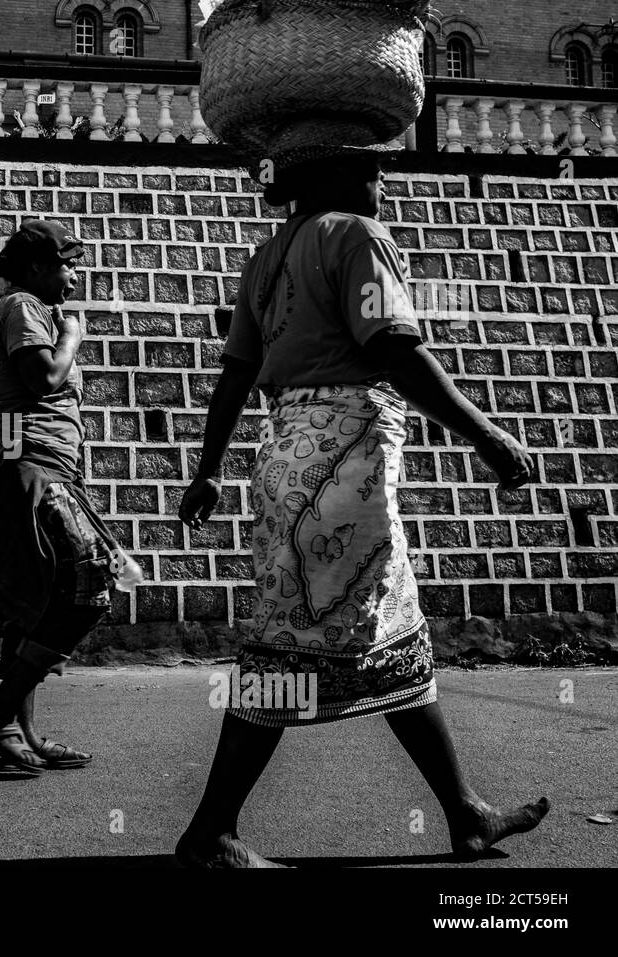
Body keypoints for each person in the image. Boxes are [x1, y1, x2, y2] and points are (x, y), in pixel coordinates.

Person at [175, 149, 550, 865]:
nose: (384, 183)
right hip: (343, 466)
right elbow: (397, 352)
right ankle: (211, 831)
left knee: (389, 631)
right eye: (374, 170)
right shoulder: (356, 236)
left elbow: (236, 375)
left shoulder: (269, 256)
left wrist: (207, 470)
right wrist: (489, 435)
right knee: (293, 641)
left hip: (288, 457)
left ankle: (465, 813)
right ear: (336, 175)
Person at [0, 219, 133, 774]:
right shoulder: (25, 305)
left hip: (39, 466)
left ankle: (20, 733)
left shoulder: (33, 309)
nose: (74, 276)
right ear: (35, 267)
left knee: (33, 601)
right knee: (92, 580)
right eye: (66, 264)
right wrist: (74, 335)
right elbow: (42, 380)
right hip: (27, 469)